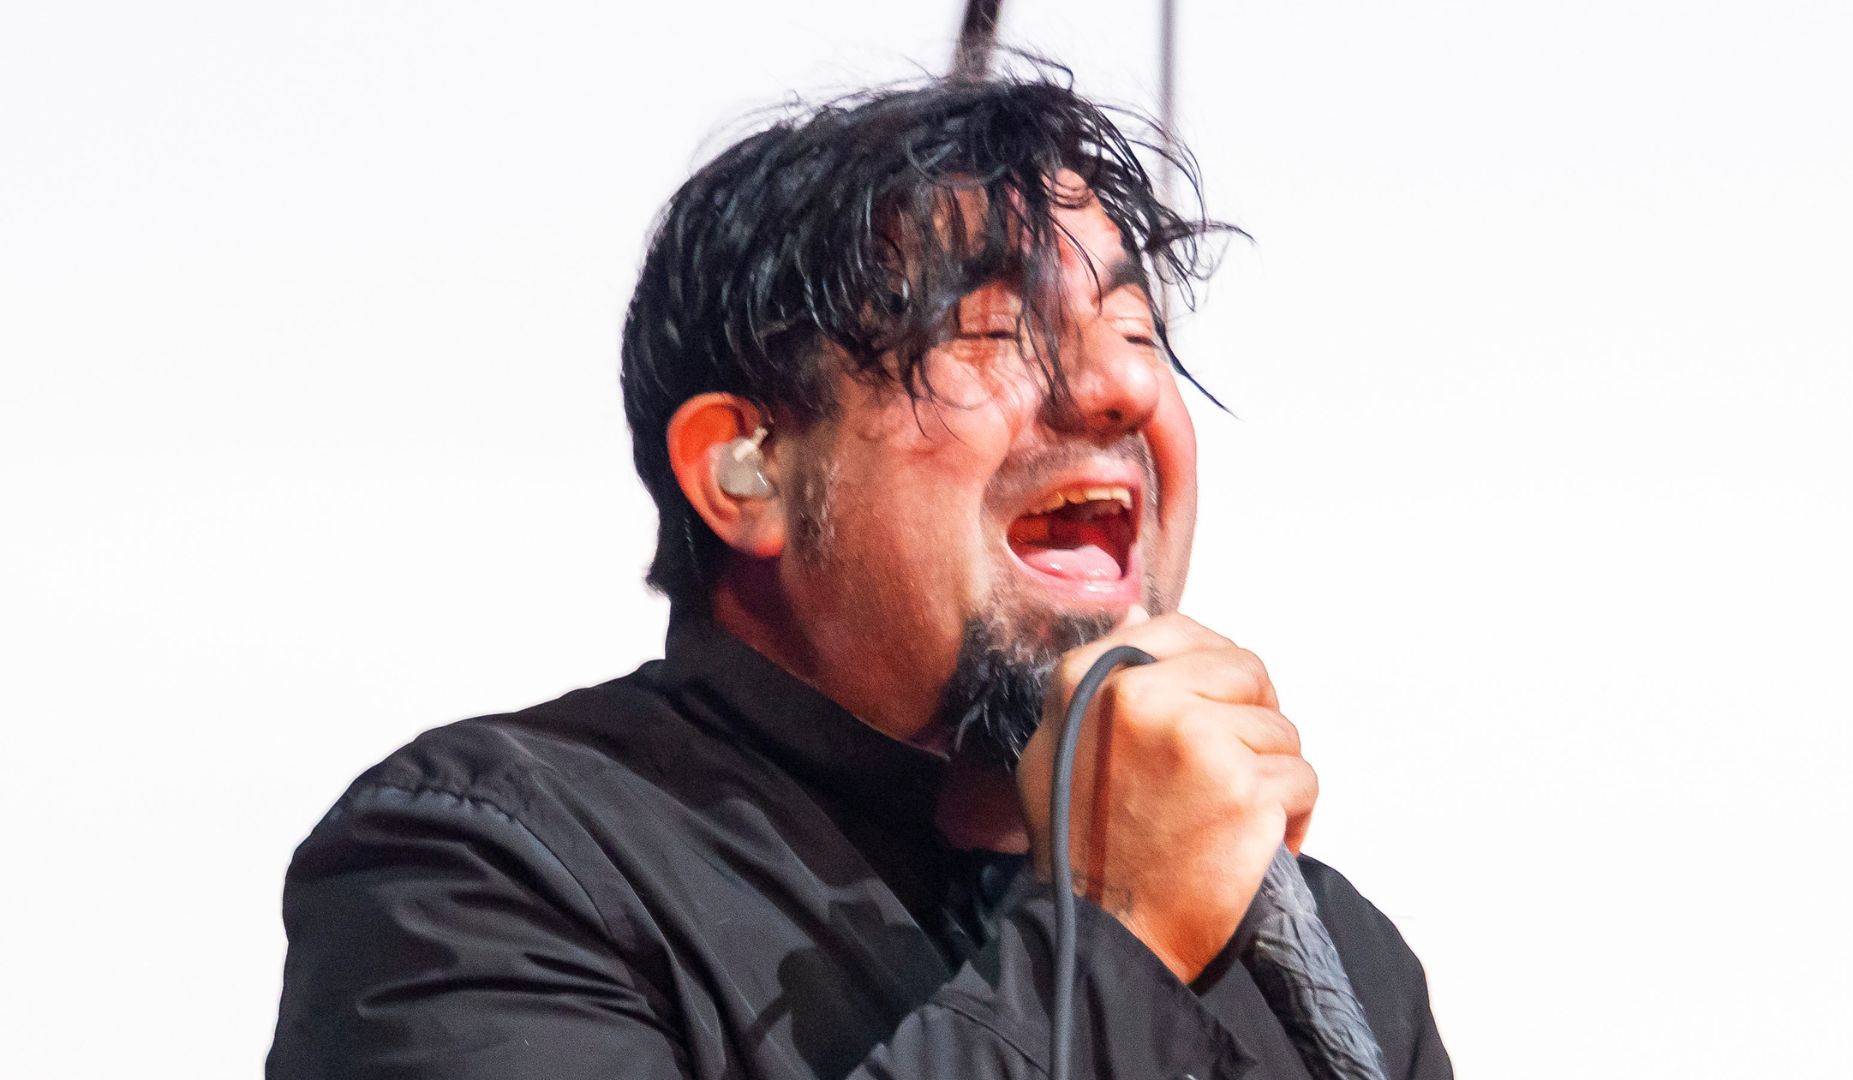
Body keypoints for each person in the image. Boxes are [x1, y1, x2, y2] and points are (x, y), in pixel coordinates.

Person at [268, 72, 1451, 1080]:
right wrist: (1115, 934)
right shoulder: (485, 868)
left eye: (1138, 335)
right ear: (747, 470)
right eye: (990, 332)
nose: (1121, 391)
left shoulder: (1322, 948)